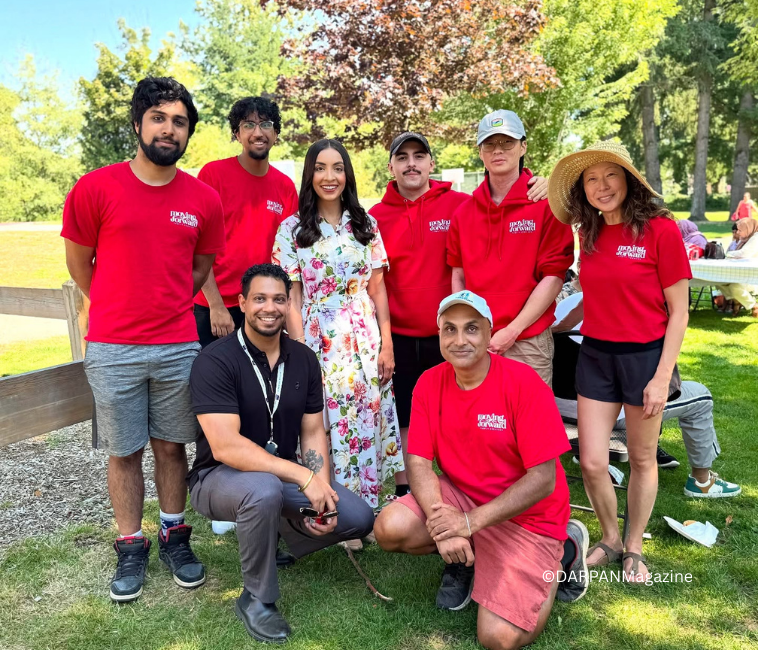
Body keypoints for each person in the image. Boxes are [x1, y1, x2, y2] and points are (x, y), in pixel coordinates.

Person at [61, 77, 225, 602]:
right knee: (124, 450)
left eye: (179, 121)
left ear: (188, 132)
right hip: (113, 347)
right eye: (158, 118)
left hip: (178, 345)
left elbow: (200, 267)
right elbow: (79, 263)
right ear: (137, 124)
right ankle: (130, 544)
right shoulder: (95, 188)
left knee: (172, 446)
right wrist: (114, 302)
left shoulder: (203, 199)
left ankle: (175, 535)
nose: (168, 129)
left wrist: (167, 301)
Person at [374, 292, 588, 650]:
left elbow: (543, 479)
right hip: (463, 498)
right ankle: (470, 555)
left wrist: (467, 523)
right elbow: (419, 462)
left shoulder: (523, 383)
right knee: (390, 527)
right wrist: (443, 525)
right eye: (450, 329)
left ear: (490, 333)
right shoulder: (429, 382)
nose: (460, 340)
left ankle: (565, 553)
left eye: (471, 328)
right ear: (439, 335)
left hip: (529, 518)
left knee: (499, 639)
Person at [187, 264, 374, 642]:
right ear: (242, 303)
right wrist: (303, 476)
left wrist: (321, 494)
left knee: (358, 517)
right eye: (259, 298)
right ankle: (257, 598)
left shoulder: (303, 358)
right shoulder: (215, 360)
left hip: (279, 474)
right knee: (263, 489)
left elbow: (312, 431)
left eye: (278, 299)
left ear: (289, 304)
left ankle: (278, 534)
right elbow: (225, 445)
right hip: (217, 477)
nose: (269, 308)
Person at [369, 132, 548, 499]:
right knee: (406, 415)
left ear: (431, 163)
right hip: (399, 335)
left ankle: (464, 486)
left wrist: (538, 183)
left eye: (419, 156)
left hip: (451, 336)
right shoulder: (374, 218)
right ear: (390, 167)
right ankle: (407, 491)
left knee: (460, 413)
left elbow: (501, 209)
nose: (411, 164)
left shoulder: (461, 206)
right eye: (402, 158)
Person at [547, 140, 691, 582]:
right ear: (583, 190)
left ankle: (634, 547)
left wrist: (661, 378)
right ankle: (610, 538)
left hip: (645, 359)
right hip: (596, 356)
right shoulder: (589, 234)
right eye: (592, 179)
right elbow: (596, 295)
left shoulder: (661, 230)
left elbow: (680, 313)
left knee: (643, 458)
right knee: (592, 460)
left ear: (629, 180)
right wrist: (555, 323)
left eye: (610, 175)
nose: (602, 186)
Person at [273, 139, 403, 524]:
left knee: (363, 420)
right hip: (317, 339)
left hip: (364, 338)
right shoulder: (292, 229)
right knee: (322, 424)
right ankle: (327, 510)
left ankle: (362, 512)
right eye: (320, 168)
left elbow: (378, 289)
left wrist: (387, 344)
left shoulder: (366, 224)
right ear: (309, 175)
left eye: (337, 168)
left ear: (347, 174)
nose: (329, 177)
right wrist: (300, 351)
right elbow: (292, 297)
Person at [552, 295, 741, 497]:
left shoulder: (563, 305)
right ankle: (702, 481)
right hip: (610, 409)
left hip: (561, 406)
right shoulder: (631, 308)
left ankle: (599, 452)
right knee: (700, 396)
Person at [447, 110, 574, 387]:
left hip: (528, 341)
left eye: (507, 142)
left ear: (523, 147)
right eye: (490, 143)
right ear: (480, 152)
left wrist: (513, 330)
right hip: (477, 341)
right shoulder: (464, 213)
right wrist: (466, 328)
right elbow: (459, 275)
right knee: (478, 414)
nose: (498, 150)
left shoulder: (545, 206)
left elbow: (554, 277)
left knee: (529, 415)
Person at [194, 97, 298, 348]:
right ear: (237, 134)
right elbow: (196, 246)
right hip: (216, 309)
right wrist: (216, 305)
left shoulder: (285, 187)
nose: (258, 132)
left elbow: (288, 256)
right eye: (248, 125)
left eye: (266, 124)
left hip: (264, 309)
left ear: (276, 134)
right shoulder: (213, 175)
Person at [716, 218, 758, 317]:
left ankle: (753, 305)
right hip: (740, 272)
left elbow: (744, 254)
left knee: (734, 286)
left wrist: (727, 254)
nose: (738, 233)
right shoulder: (745, 238)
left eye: (740, 230)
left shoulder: (756, 238)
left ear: (748, 228)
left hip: (752, 276)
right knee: (718, 281)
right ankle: (738, 301)